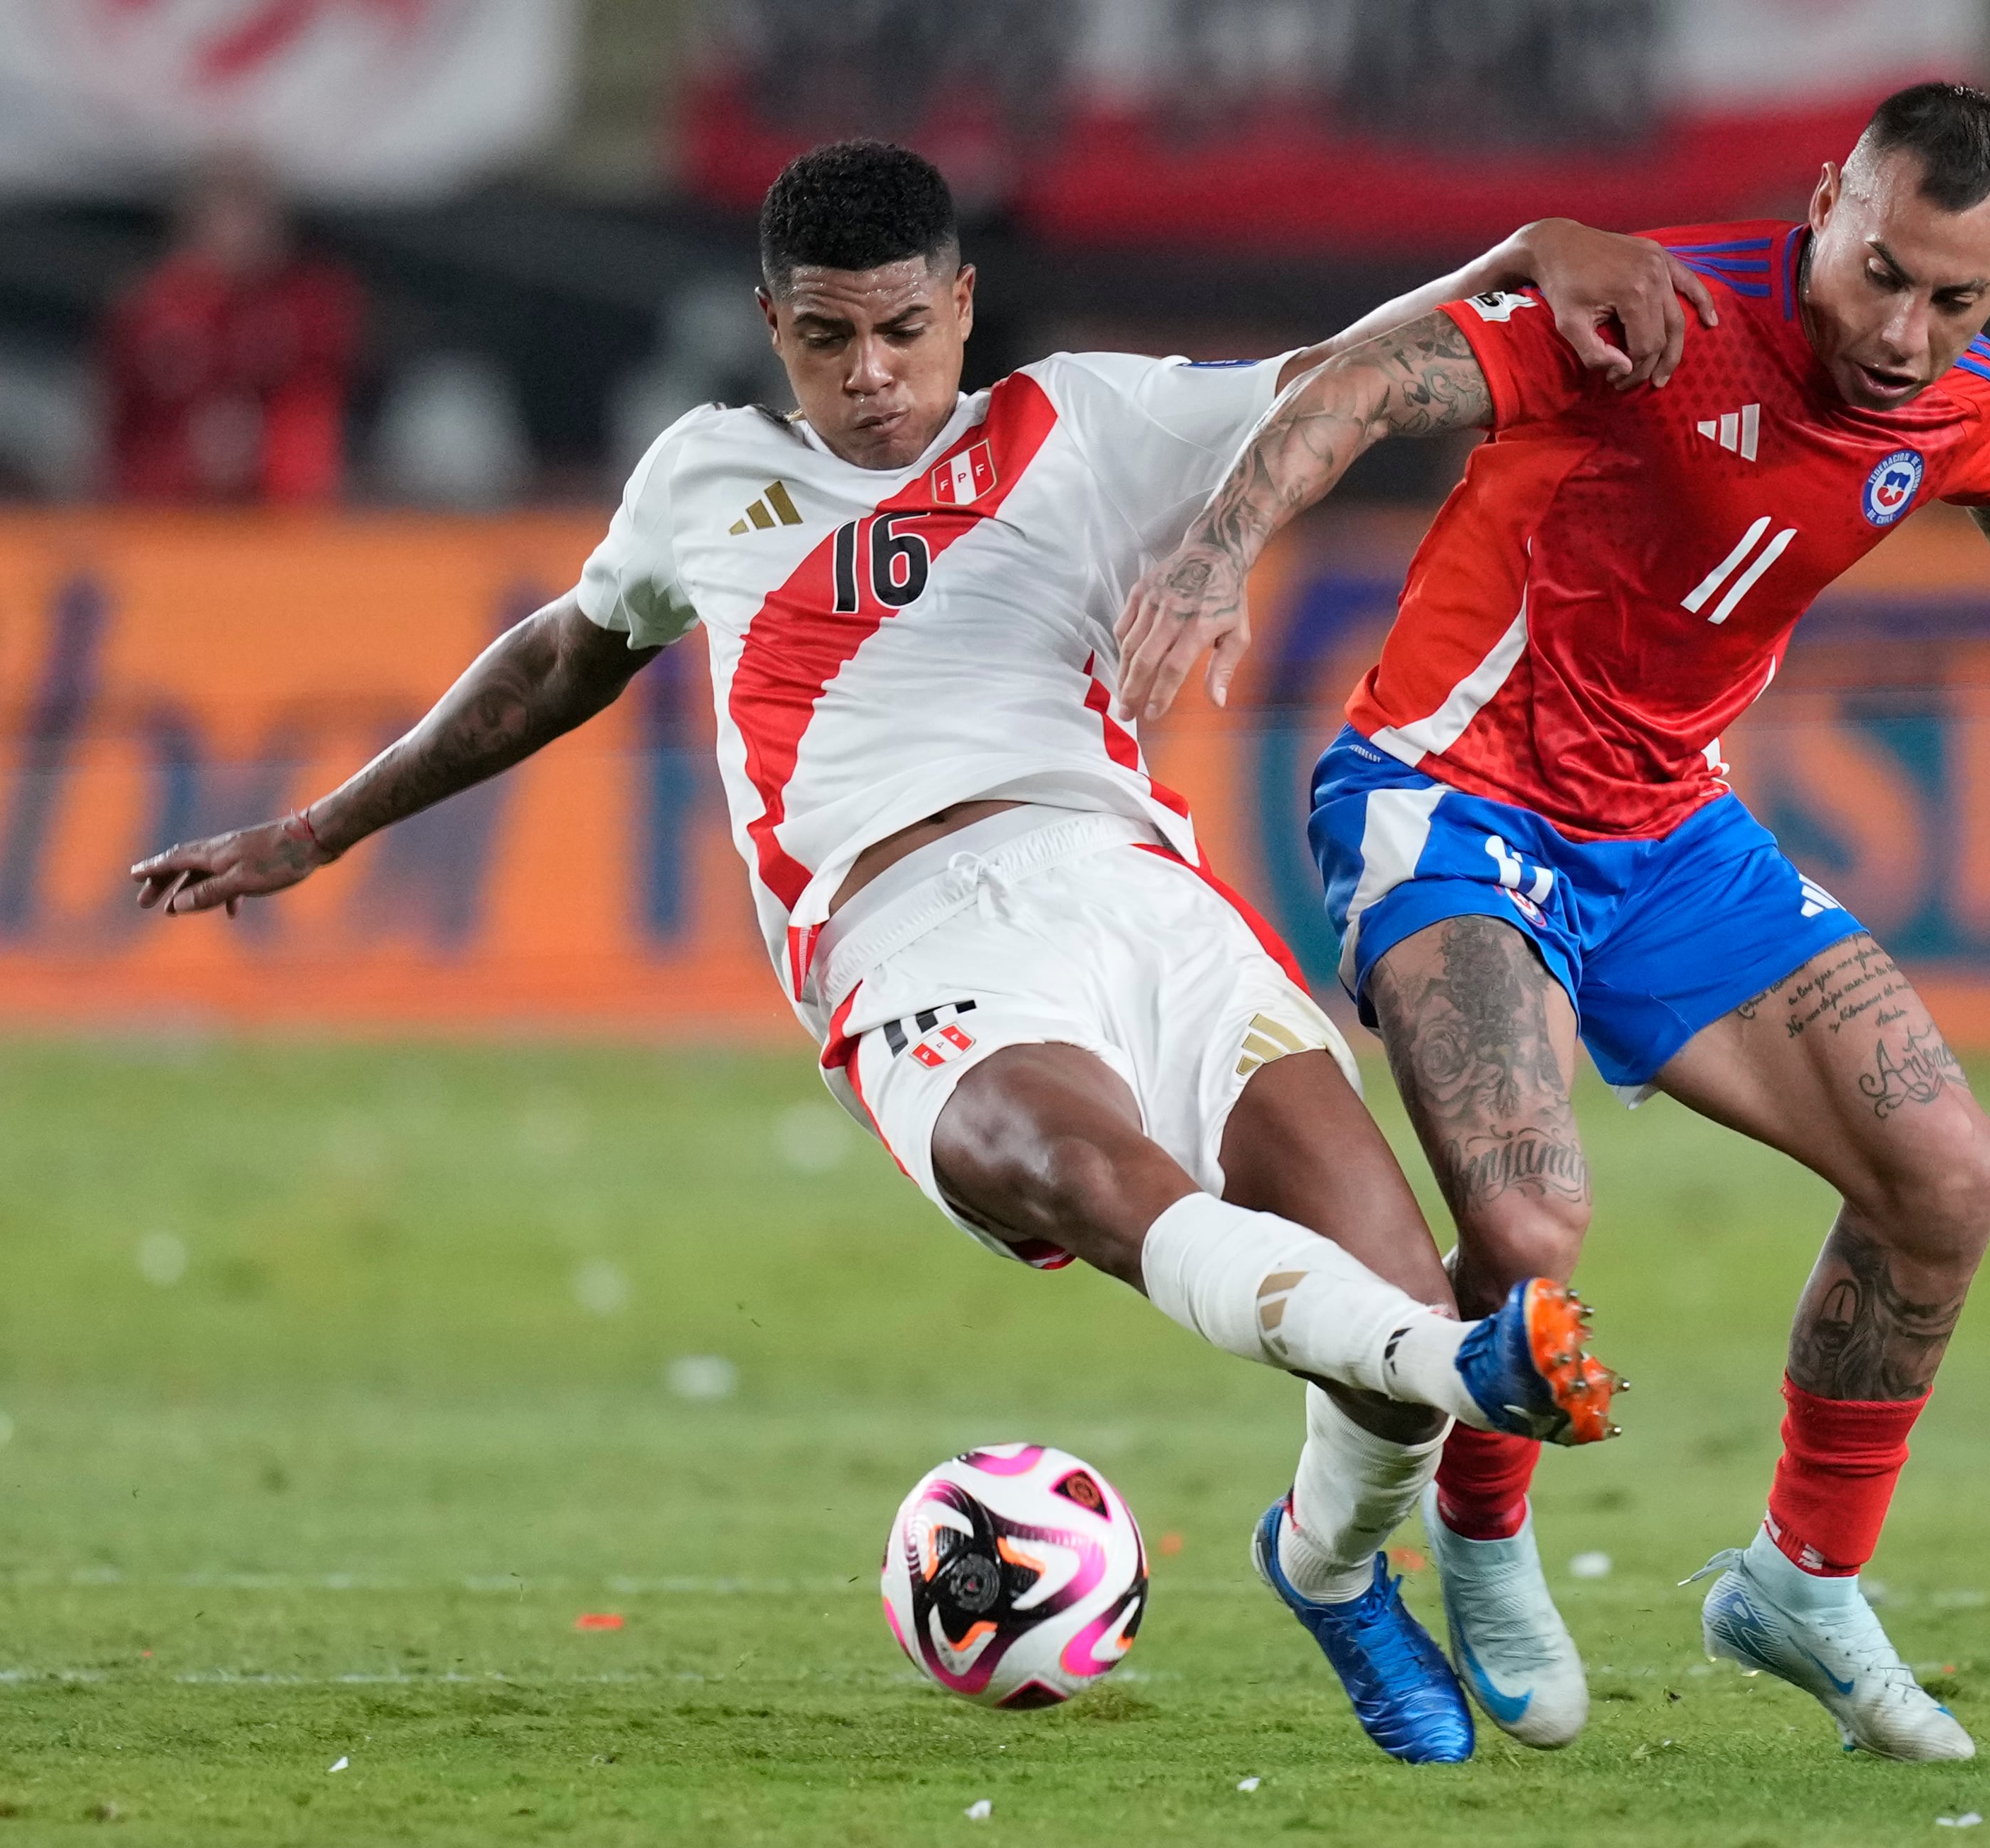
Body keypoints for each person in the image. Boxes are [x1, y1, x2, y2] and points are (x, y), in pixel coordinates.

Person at [125, 142, 1705, 1763]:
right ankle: (1462, 1356)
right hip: (905, 939)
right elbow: (555, 657)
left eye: (899, 331)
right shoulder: (702, 478)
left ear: (960, 306)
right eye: (824, 339)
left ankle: (1323, 1556)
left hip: (1135, 895)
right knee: (1096, 1181)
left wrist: (1523, 247)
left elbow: (1346, 375)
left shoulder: (1083, 424)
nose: (869, 378)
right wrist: (316, 830)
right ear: (768, 324)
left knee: (1365, 1334)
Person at [1119, 84, 1990, 1763]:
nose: (1904, 332)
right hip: (1449, 801)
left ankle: (1797, 1581)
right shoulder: (1648, 321)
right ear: (1817, 207)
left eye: (1955, 298)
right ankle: (1479, 1530)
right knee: (1530, 1215)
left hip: (1664, 832)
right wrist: (1217, 551)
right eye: (1877, 275)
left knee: (1945, 1175)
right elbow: (1362, 385)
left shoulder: (1944, 401)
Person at [101, 153, 362, 503]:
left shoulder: (311, 304)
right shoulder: (151, 307)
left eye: (249, 216)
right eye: (221, 215)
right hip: (165, 504)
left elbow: (319, 399)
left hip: (286, 504)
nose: (236, 232)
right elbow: (122, 415)